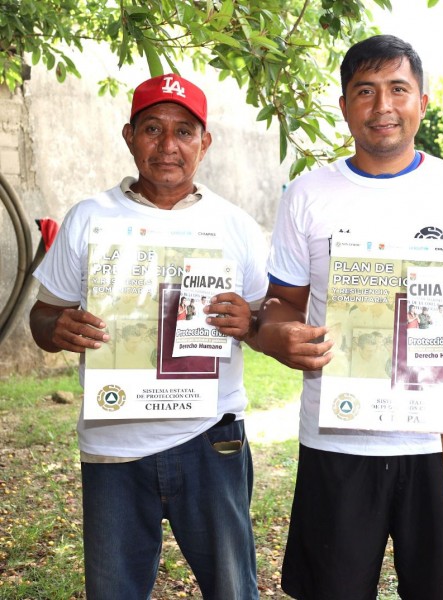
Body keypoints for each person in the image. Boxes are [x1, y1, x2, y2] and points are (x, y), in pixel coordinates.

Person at [257, 34, 443, 600]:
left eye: (398, 89)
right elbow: (282, 300)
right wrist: (280, 336)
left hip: (438, 436)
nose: (382, 107)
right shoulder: (308, 193)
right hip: (338, 441)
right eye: (365, 91)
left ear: (422, 101)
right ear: (344, 104)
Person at [29, 73, 268, 600]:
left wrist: (249, 323)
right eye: (152, 129)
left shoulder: (236, 226)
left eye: (184, 131)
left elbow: (265, 320)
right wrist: (58, 328)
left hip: (211, 436)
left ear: (205, 143)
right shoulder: (90, 217)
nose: (168, 146)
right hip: (115, 445)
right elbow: (42, 317)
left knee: (234, 590)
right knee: (113, 591)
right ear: (128, 135)